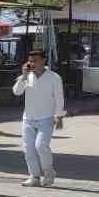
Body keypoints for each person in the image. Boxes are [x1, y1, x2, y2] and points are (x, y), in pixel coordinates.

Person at [12, 49, 65, 188]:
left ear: (43, 61)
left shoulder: (54, 77)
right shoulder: (27, 76)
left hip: (46, 118)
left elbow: (59, 98)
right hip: (28, 118)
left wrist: (59, 116)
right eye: (30, 60)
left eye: (35, 60)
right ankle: (34, 176)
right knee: (28, 148)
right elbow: (16, 92)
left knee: (40, 145)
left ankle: (48, 172)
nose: (32, 63)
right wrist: (23, 76)